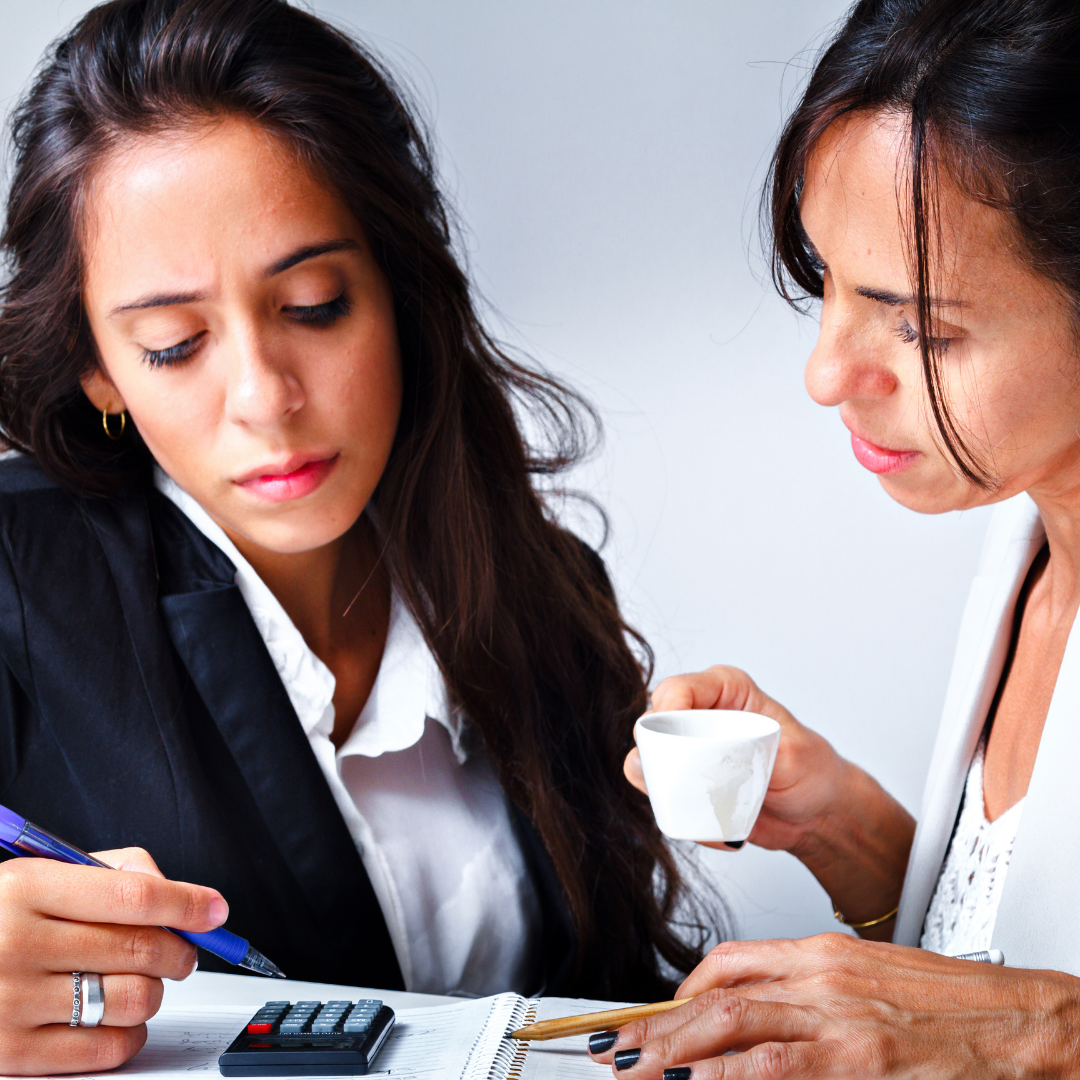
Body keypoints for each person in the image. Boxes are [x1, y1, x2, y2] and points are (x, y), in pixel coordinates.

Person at [0, 0, 714, 1073]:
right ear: (99, 367)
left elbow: (601, 1011)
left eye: (317, 304)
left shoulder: (544, 588)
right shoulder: (17, 578)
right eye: (175, 343)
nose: (265, 398)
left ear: (396, 289)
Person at [586, 0, 1080, 1077]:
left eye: (922, 325)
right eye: (828, 281)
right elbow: (1005, 969)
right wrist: (843, 828)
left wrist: (1049, 1037)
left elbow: (1023, 1018)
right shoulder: (1028, 549)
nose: (824, 374)